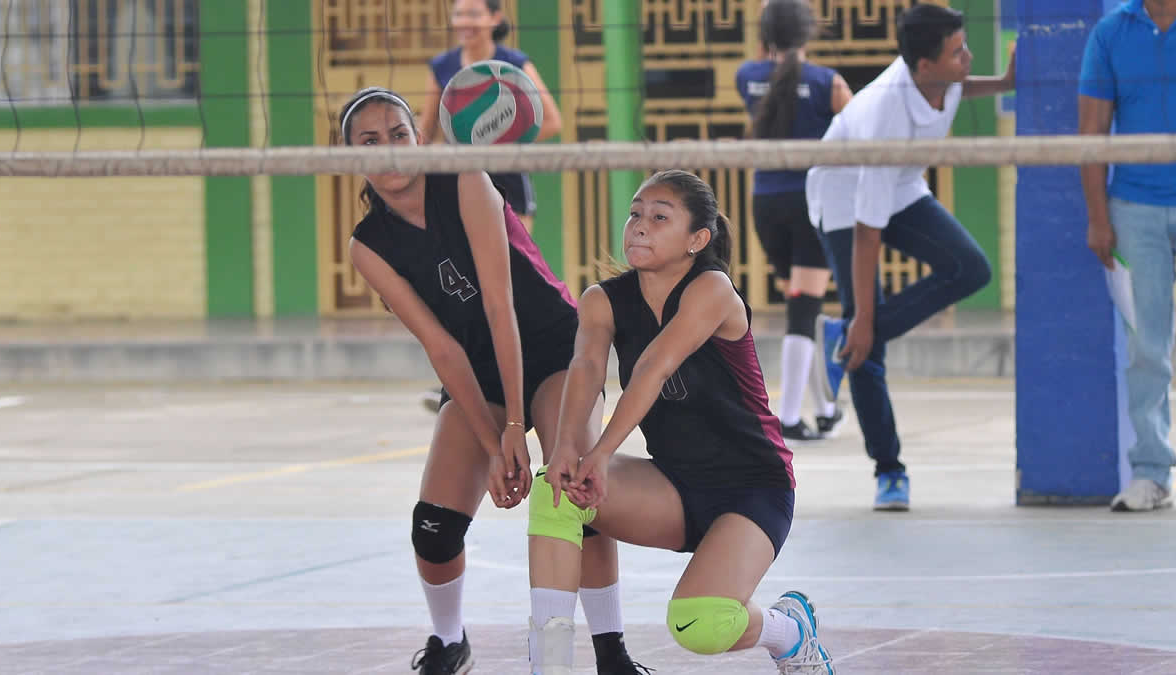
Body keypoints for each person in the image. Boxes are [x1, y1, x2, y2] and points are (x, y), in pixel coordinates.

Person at [340, 87, 645, 675]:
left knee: (574, 484)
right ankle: (449, 640)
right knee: (432, 529)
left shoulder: (465, 180)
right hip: (478, 375)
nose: (389, 151)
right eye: (369, 141)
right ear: (348, 156)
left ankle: (611, 651)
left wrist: (515, 426)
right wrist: (491, 441)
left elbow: (500, 307)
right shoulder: (367, 245)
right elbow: (442, 346)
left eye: (399, 135)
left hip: (556, 349)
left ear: (418, 139)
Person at [525, 170, 833, 674]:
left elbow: (653, 366)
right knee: (555, 489)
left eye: (660, 217)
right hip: (673, 486)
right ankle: (550, 667)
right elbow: (583, 371)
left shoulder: (711, 288)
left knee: (701, 623)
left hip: (752, 489)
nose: (640, 226)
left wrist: (600, 453)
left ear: (697, 240)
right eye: (636, 214)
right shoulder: (602, 300)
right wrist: (563, 447)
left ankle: (791, 631)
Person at [805, 4, 1014, 510]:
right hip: (844, 201)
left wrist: (1005, 82)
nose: (966, 57)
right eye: (957, 52)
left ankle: (845, 334)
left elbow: (962, 83)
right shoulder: (885, 117)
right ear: (923, 66)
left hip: (902, 189)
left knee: (971, 269)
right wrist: (866, 320)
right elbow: (866, 232)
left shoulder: (942, 77)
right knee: (867, 348)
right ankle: (889, 470)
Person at [417, 0, 563, 416]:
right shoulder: (442, 66)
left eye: (473, 13)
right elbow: (427, 132)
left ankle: (527, 367)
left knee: (511, 279)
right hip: (460, 185)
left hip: (508, 185)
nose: (464, 21)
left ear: (495, 19)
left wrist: (498, 136)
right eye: (459, 13)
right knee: (467, 282)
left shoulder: (512, 64)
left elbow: (550, 120)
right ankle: (467, 374)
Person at [1079, 0, 1176, 512]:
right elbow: (1091, 134)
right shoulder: (1110, 33)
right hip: (1134, 210)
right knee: (1146, 349)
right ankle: (1151, 471)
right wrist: (1098, 218)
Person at [735, 0, 852, 442]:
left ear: (765, 37)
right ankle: (786, 418)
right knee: (804, 308)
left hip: (766, 205)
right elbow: (862, 133)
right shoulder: (827, 82)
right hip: (810, 204)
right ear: (809, 34)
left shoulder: (747, 76)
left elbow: (769, 74)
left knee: (803, 302)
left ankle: (824, 409)